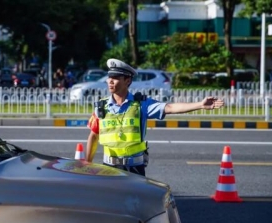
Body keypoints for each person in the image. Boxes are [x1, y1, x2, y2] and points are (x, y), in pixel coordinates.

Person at [85, 58, 225, 176]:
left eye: (116, 78)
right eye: (110, 77)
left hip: (134, 169)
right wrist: (87, 163)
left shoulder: (141, 104)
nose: (110, 81)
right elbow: (93, 136)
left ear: (127, 81)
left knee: (135, 206)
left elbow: (169, 108)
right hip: (108, 168)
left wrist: (200, 104)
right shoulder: (101, 106)